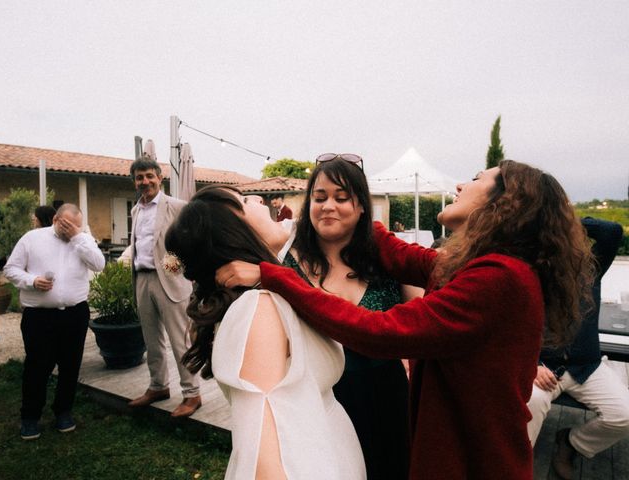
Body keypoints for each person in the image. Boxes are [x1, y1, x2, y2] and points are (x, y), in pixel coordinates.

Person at [217, 160, 595, 479]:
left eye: (478, 179)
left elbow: (379, 331)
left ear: (506, 203)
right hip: (458, 442)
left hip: (474, 456)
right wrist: (349, 214)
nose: (462, 183)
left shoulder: (499, 279)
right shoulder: (484, 267)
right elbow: (409, 258)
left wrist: (274, 275)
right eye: (321, 198)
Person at [164, 185, 366, 479]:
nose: (260, 200)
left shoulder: (272, 291)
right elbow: (264, 460)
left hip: (328, 449)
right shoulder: (258, 310)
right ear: (235, 231)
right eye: (245, 201)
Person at [281, 154, 409, 479]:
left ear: (362, 206)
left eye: (342, 198)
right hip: (318, 400)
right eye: (319, 197)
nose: (328, 206)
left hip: (387, 398)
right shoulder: (288, 267)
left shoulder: (388, 259)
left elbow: (425, 321)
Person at [527, 217, 628, 480]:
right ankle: (517, 464)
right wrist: (532, 365)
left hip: (588, 367)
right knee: (531, 404)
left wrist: (562, 217)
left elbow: (612, 231)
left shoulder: (590, 269)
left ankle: (571, 443)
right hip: (542, 369)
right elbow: (511, 328)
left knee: (624, 414)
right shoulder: (529, 274)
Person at [3, 204, 105, 440]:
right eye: (66, 225)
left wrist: (78, 237)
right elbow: (11, 269)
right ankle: (30, 417)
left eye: (75, 226)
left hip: (74, 314)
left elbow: (99, 265)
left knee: (70, 366)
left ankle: (63, 412)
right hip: (39, 316)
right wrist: (32, 280)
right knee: (37, 367)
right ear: (56, 219)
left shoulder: (83, 240)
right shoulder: (32, 238)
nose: (69, 229)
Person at [127, 155, 201, 417]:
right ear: (134, 182)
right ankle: (158, 386)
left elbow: (192, 242)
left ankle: (192, 394)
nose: (145, 181)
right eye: (139, 177)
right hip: (142, 278)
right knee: (151, 339)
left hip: (169, 280)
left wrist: (176, 270)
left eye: (149, 176)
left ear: (160, 177)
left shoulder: (177, 206)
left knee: (180, 339)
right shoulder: (136, 210)